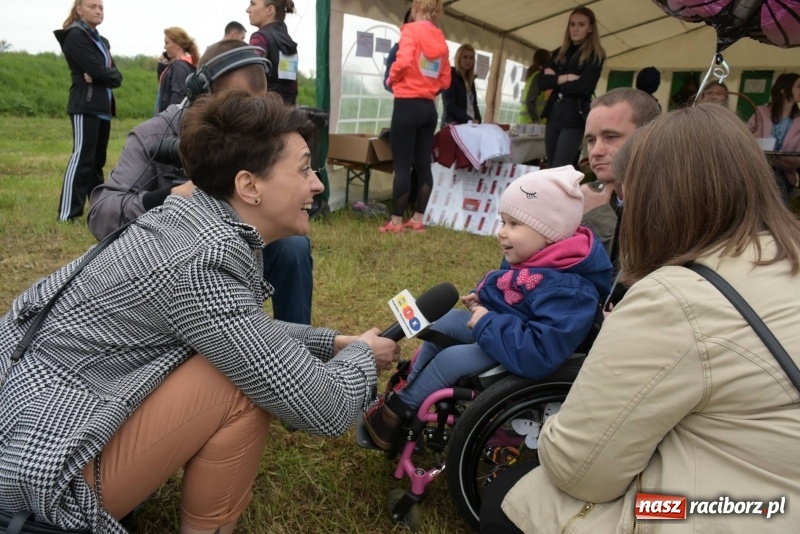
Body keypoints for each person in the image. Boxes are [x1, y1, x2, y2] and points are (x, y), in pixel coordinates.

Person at [0, 89, 400, 533]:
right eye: (305, 169)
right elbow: (325, 408)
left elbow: (238, 330)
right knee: (240, 384)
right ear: (248, 185)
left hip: (27, 413)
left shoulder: (188, 220)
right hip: (34, 469)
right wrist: (362, 355)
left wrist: (333, 343)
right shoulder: (201, 265)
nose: (318, 184)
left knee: (240, 363)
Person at [480, 103, 800, 534]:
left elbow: (580, 470)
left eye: (627, 196)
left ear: (657, 201)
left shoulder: (674, 298)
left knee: (513, 497)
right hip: (777, 494)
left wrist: (555, 420)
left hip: (730, 511)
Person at [364, 166, 613, 449]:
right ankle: (409, 389)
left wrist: (486, 321)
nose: (501, 233)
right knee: (442, 323)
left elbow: (540, 351)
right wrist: (483, 301)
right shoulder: (536, 254)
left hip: (523, 355)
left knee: (452, 360)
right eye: (503, 221)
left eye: (514, 224)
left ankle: (399, 412)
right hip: (504, 332)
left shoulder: (570, 290)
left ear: (549, 232)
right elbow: (511, 293)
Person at [87, 40, 315, 325]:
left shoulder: (259, 135)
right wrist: (175, 195)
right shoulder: (153, 137)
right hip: (171, 261)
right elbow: (102, 214)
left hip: (242, 247)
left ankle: (297, 345)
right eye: (238, 109)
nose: (250, 124)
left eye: (256, 109)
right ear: (200, 96)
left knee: (292, 245)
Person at [380, 0, 451, 233]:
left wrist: (392, 78)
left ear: (417, 9)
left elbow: (405, 59)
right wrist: (429, 88)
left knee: (402, 166)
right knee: (423, 164)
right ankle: (418, 219)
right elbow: (445, 79)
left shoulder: (410, 30)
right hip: (429, 108)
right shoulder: (441, 39)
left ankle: (396, 221)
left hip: (406, 105)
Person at [53, 0, 122, 222]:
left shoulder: (102, 40)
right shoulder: (75, 36)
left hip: (102, 106)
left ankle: (97, 211)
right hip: (85, 104)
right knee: (82, 158)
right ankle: (68, 214)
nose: (98, 11)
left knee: (96, 162)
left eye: (101, 7)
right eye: (92, 6)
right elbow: (96, 70)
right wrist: (104, 74)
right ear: (79, 9)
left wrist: (103, 75)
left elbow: (116, 77)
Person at [580, 88, 661, 266]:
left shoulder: (667, 204)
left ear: (647, 138)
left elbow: (624, 278)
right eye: (591, 140)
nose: (596, 151)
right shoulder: (587, 197)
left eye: (611, 137)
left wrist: (596, 218)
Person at [538, 7, 605, 168]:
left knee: (560, 167)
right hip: (554, 112)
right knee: (551, 166)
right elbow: (541, 83)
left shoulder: (595, 55)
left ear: (590, 28)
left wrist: (556, 79)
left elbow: (585, 88)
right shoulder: (558, 53)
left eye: (581, 25)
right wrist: (567, 77)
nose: (575, 29)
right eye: (572, 24)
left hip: (575, 115)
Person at [747, 72, 800, 202]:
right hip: (758, 170)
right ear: (783, 90)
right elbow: (744, 136)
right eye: (799, 86)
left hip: (784, 174)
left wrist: (779, 160)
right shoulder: (760, 112)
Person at [248, 0, 299, 105]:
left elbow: (251, 78)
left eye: (253, 4)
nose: (248, 10)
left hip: (267, 113)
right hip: (288, 112)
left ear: (270, 10)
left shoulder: (260, 38)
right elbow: (291, 86)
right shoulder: (288, 41)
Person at [156, 27, 199, 114]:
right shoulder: (187, 65)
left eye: (167, 43)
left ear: (178, 44)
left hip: (171, 119)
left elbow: (177, 96)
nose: (165, 47)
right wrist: (162, 65)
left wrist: (167, 119)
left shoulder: (179, 66)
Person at [441, 44, 482, 126]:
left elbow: (474, 104)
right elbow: (450, 105)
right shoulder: (451, 75)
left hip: (469, 125)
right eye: (465, 57)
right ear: (458, 58)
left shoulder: (470, 80)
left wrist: (478, 120)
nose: (468, 61)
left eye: (471, 58)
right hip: (454, 125)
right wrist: (469, 120)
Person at [518, 48, 551, 125]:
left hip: (526, 122)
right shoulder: (538, 76)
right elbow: (530, 100)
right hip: (532, 123)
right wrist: (536, 120)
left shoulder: (532, 76)